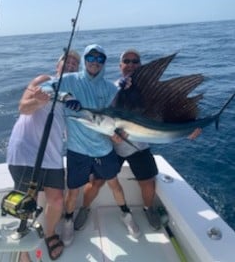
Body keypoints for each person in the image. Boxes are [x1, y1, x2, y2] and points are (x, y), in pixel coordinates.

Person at [73, 48, 202, 232]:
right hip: (112, 148)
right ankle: (84, 209)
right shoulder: (111, 89)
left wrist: (188, 131)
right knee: (96, 182)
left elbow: (167, 121)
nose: (131, 65)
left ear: (140, 65)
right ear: (120, 66)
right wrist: (112, 135)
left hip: (139, 146)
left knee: (148, 181)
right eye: (127, 61)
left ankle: (148, 209)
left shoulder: (146, 91)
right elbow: (103, 121)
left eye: (135, 61)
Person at [51, 44, 140, 246]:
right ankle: (67, 221)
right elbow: (48, 88)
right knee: (73, 191)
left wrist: (118, 133)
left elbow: (118, 112)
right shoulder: (70, 80)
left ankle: (126, 215)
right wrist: (66, 96)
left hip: (103, 148)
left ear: (104, 63)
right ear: (84, 59)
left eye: (100, 59)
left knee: (115, 185)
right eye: (91, 57)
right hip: (77, 149)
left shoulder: (110, 88)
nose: (95, 62)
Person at [6, 50, 80, 262]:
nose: (72, 64)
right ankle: (23, 251)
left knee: (56, 200)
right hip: (25, 152)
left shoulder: (74, 93)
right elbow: (23, 108)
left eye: (76, 63)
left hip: (52, 155)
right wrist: (38, 101)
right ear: (58, 66)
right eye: (68, 60)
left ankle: (50, 234)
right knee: (25, 202)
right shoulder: (44, 80)